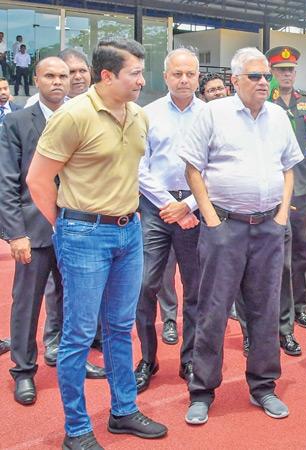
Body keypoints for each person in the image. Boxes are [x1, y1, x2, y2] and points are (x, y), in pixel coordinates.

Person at [26, 38, 167, 450]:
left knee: (121, 328)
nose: (142, 80)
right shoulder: (73, 116)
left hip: (129, 232)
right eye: (134, 73)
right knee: (78, 334)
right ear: (107, 76)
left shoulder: (139, 116)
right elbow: (37, 180)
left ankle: (123, 410)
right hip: (84, 234)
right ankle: (77, 430)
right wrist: (66, 227)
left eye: (142, 72)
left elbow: (136, 172)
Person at [180, 47, 302, 425]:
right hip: (225, 228)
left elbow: (288, 169)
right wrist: (213, 220)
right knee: (213, 310)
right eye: (255, 76)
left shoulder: (279, 116)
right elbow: (192, 169)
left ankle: (263, 386)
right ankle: (202, 391)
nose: (264, 82)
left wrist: (281, 216)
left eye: (266, 75)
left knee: (266, 309)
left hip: (268, 227)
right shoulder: (212, 114)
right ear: (235, 80)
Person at [0, 57, 102, 406]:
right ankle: (23, 372)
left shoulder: (82, 117)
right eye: (51, 76)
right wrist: (15, 234)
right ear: (36, 79)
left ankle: (74, 360)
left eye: (64, 75)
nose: (59, 81)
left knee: (75, 303)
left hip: (78, 228)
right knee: (27, 304)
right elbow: (8, 182)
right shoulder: (16, 122)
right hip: (33, 231)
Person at [134, 48, 204, 393]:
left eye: (190, 74)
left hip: (195, 208)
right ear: (165, 76)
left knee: (195, 288)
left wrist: (189, 205)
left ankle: (189, 359)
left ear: (198, 76)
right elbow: (138, 166)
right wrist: (168, 205)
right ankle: (148, 358)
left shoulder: (210, 115)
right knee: (145, 286)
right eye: (177, 74)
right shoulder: (146, 114)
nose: (184, 80)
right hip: (155, 208)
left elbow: (215, 168)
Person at [267, 44, 306, 350]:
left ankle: (301, 305)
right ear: (272, 73)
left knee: (301, 252)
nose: (286, 75)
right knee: (277, 259)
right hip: (274, 191)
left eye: (290, 70)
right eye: (280, 70)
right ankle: (276, 309)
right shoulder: (265, 103)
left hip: (302, 188)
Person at [26, 48, 92, 107]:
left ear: (89, 71)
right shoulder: (37, 102)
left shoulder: (99, 97)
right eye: (71, 72)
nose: (78, 77)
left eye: (82, 71)